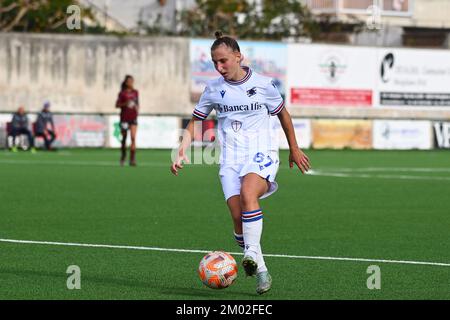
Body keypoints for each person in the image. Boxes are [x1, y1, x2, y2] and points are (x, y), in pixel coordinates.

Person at [171, 31, 311, 294]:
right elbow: (196, 120)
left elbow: (283, 115)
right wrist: (182, 147)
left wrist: (293, 147)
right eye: (214, 62)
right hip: (230, 159)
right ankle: (261, 269)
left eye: (223, 61)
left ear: (238, 57)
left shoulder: (264, 85)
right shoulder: (214, 89)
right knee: (239, 220)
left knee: (249, 194)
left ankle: (251, 255)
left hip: (262, 153)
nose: (219, 67)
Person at [115, 75, 139, 166]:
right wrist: (125, 103)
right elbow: (117, 105)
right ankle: (123, 156)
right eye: (129, 81)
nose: (131, 83)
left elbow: (137, 103)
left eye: (132, 81)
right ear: (126, 82)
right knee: (124, 139)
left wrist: (137, 108)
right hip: (124, 118)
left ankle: (132, 159)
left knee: (133, 138)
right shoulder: (122, 93)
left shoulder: (135, 92)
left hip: (133, 118)